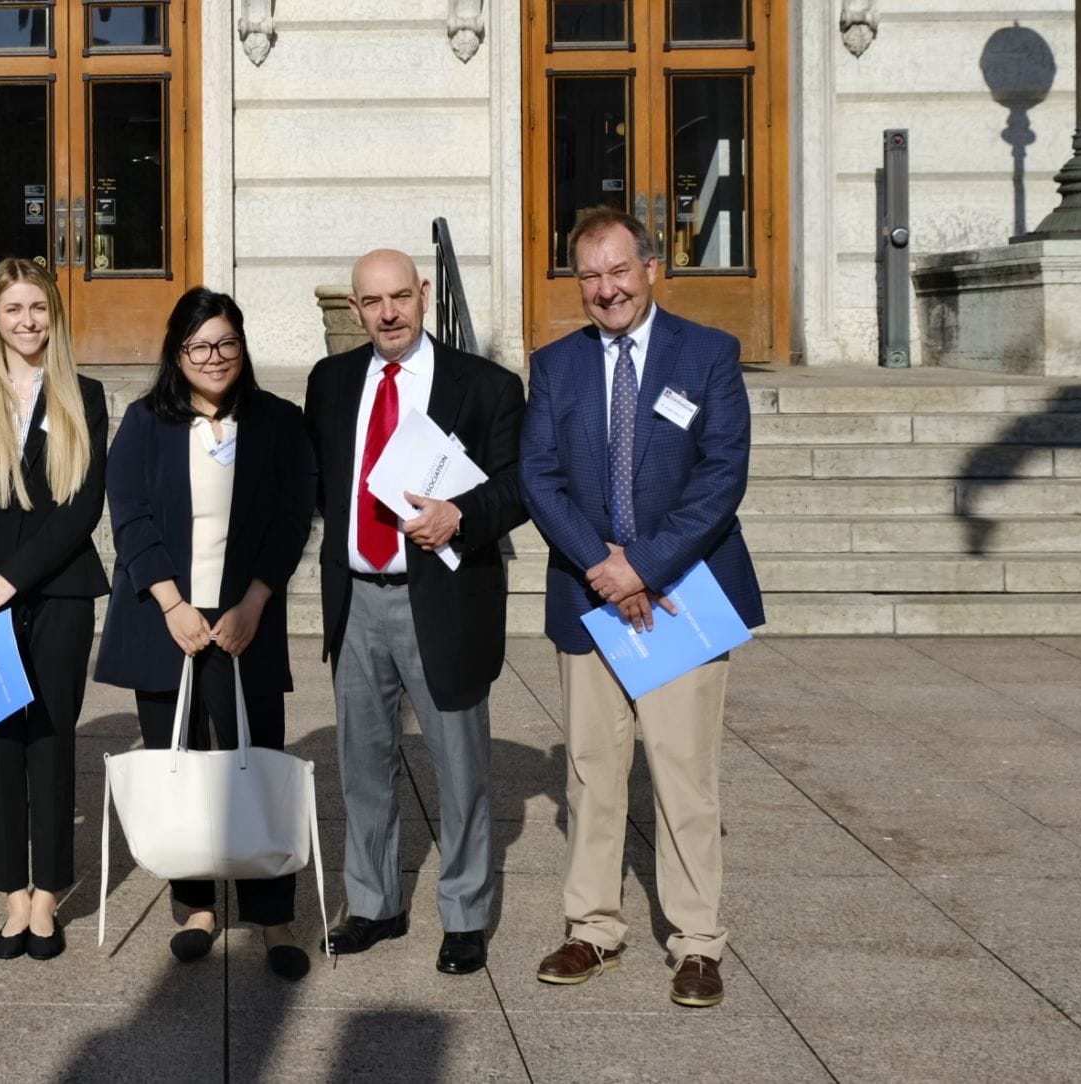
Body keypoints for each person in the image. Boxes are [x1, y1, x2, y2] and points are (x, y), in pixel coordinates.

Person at [519, 206, 764, 1008]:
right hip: (591, 600)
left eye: (618, 270)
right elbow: (539, 477)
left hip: (679, 595)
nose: (605, 288)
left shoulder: (708, 354)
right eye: (589, 275)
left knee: (684, 776)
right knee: (591, 774)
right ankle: (592, 929)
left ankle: (697, 942)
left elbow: (721, 476)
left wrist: (646, 567)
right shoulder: (554, 365)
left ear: (651, 268)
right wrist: (602, 567)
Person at [304, 249, 526, 976]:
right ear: (355, 309)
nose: (389, 313)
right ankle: (373, 903)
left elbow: (521, 485)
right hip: (358, 600)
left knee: (459, 766)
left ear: (424, 295)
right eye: (373, 302)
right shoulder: (331, 382)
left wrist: (461, 515)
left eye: (401, 296)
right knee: (362, 764)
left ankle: (464, 914)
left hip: (443, 599)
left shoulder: (485, 386)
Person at [95, 287, 318, 981]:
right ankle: (195, 906)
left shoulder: (278, 421)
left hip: (244, 620)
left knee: (253, 757)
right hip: (169, 619)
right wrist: (171, 604)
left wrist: (254, 602)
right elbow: (128, 516)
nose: (214, 357)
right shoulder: (143, 422)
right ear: (177, 353)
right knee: (178, 762)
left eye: (226, 343)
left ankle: (272, 915)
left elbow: (292, 515)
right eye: (199, 346)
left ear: (242, 348)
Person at [0, 257, 109, 963]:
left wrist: (12, 581)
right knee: (0, 743)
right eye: (13, 309)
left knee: (52, 738)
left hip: (61, 590)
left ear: (53, 314)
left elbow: (82, 509)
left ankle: (49, 894)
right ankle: (12, 892)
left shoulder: (86, 394)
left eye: (38, 308)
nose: (28, 322)